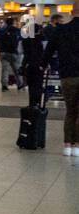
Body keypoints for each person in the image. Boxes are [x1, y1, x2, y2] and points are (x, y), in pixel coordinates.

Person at [42, 13, 79, 156]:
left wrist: (43, 65)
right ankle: (77, 145)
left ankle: (67, 145)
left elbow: (49, 50)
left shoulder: (61, 29)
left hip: (67, 75)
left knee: (70, 111)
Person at [0, 17, 23, 90]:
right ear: (13, 23)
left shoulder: (1, 30)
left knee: (5, 69)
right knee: (16, 69)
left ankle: (4, 85)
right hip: (13, 52)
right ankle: (20, 84)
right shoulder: (17, 30)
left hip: (3, 52)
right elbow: (21, 40)